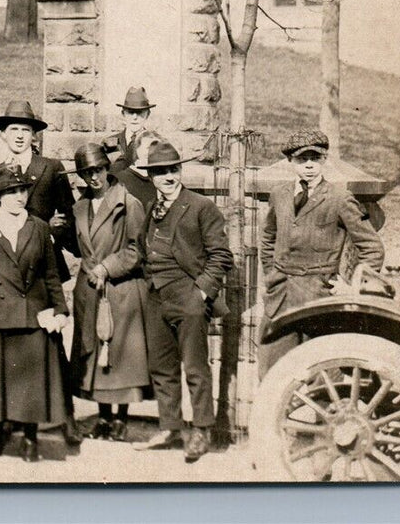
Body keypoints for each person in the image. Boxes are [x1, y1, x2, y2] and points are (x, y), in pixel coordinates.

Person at [0, 165, 72, 461]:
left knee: (30, 381)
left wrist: (60, 309)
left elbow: (50, 274)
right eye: (12, 192)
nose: (20, 196)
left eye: (22, 190)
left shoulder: (39, 226)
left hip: (31, 313)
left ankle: (30, 438)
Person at [133, 141, 232, 463]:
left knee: (195, 367)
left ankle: (202, 430)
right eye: (160, 172)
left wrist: (201, 292)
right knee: (161, 368)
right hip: (156, 298)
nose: (168, 177)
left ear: (180, 171)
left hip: (188, 298)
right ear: (151, 177)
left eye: (173, 170)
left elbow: (221, 255)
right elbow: (142, 249)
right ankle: (170, 428)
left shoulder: (201, 206)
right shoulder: (152, 207)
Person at [259, 129, 384, 368]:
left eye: (315, 159)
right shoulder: (279, 194)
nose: (309, 165)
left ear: (324, 159)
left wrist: (352, 285)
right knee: (273, 369)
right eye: (302, 159)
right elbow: (268, 238)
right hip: (280, 297)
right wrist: (271, 274)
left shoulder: (340, 198)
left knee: (321, 370)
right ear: (290, 161)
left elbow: (372, 246)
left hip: (319, 297)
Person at [67, 143, 153, 442]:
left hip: (120, 288)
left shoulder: (128, 203)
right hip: (90, 289)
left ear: (107, 169)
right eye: (87, 173)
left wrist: (107, 267)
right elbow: (78, 244)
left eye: (99, 170)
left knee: (120, 355)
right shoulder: (79, 207)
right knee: (94, 355)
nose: (94, 177)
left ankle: (120, 418)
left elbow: (136, 249)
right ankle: (103, 417)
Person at [0, 101, 79, 283]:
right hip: (4, 263)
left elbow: (68, 214)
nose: (19, 136)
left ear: (34, 134)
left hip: (44, 263)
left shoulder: (51, 168)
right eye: (14, 129)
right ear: (3, 134)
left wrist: (51, 233)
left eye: (25, 130)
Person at [103, 86, 162, 207]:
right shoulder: (110, 143)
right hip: (115, 205)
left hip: (147, 204)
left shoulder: (157, 143)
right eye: (130, 112)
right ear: (123, 114)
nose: (135, 117)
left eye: (139, 112)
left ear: (147, 114)